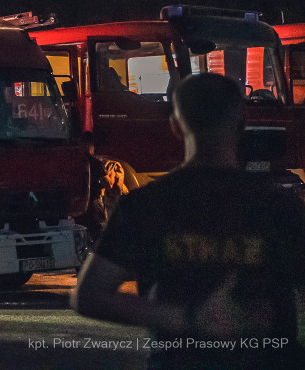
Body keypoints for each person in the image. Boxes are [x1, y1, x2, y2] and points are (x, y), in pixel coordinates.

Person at [71, 73, 305, 368]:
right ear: (241, 125)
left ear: (175, 127)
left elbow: (89, 295)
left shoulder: (144, 205)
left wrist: (182, 317)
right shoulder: (279, 205)